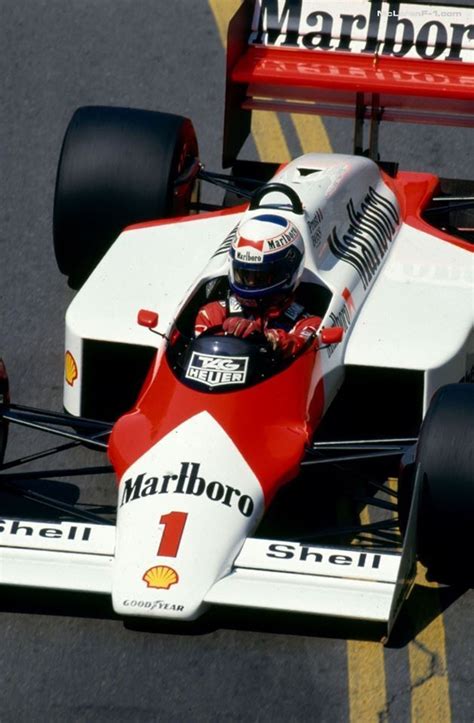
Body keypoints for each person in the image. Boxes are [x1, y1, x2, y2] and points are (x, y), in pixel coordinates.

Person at [195, 214, 322, 356]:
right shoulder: (213, 313)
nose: (249, 283)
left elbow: (300, 343)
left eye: (260, 276)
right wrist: (226, 336)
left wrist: (269, 339)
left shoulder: (307, 322)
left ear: (285, 273)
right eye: (243, 274)